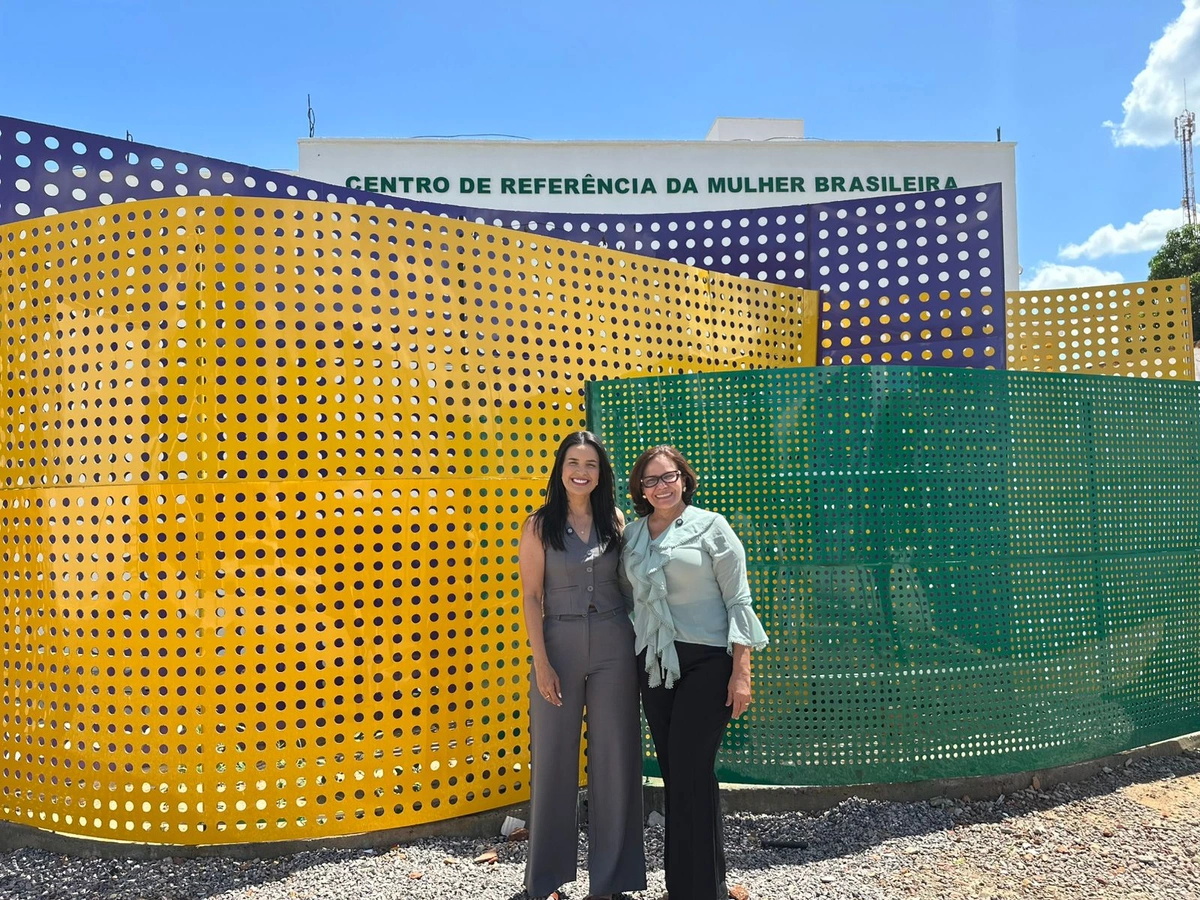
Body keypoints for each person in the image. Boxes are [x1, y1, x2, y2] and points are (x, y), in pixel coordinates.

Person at [621, 445, 769, 900]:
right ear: (640, 490)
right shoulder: (631, 535)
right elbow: (627, 597)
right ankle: (699, 887)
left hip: (708, 662)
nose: (661, 486)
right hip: (655, 665)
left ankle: (698, 890)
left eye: (668, 476)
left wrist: (741, 672)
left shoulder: (712, 527)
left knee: (689, 767)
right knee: (681, 774)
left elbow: (738, 600)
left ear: (684, 479)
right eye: (650, 480)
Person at [520, 431, 647, 900]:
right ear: (560, 469)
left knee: (616, 758)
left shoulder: (615, 519)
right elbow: (531, 596)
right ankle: (546, 881)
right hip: (559, 644)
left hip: (615, 643)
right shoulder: (538, 525)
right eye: (573, 462)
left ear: (601, 474)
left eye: (591, 464)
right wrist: (541, 662)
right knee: (553, 759)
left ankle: (611, 882)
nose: (581, 471)